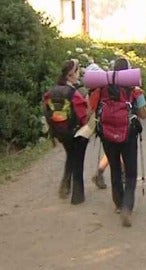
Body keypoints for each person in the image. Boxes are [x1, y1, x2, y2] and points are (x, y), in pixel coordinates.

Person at [97, 57, 146, 227]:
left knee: (115, 169)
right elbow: (143, 114)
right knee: (131, 173)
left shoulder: (103, 88)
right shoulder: (134, 90)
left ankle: (118, 204)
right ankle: (127, 206)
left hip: (107, 134)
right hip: (128, 135)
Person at [44, 59, 89, 205]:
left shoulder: (51, 91)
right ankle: (77, 195)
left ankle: (65, 183)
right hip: (76, 131)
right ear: (70, 75)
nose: (79, 73)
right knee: (79, 161)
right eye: (77, 71)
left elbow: (46, 111)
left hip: (60, 131)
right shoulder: (74, 93)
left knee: (70, 155)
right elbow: (82, 115)